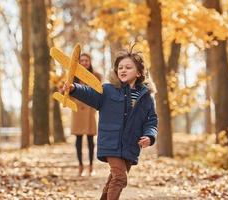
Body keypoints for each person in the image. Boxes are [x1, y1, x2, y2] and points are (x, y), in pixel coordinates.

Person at [63, 46, 158, 199]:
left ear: (139, 73)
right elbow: (90, 94)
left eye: (128, 67)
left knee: (113, 179)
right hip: (111, 142)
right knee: (120, 178)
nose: (123, 70)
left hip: (130, 145)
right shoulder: (108, 90)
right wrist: (74, 88)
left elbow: (151, 120)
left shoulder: (146, 97)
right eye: (120, 67)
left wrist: (150, 136)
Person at [71, 53, 101, 177]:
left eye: (86, 60)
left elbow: (99, 92)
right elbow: (68, 92)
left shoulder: (96, 76)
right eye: (82, 60)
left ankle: (91, 166)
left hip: (89, 111)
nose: (84, 63)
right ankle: (80, 166)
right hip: (77, 110)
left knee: (90, 141)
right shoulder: (73, 75)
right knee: (78, 140)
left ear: (90, 62)